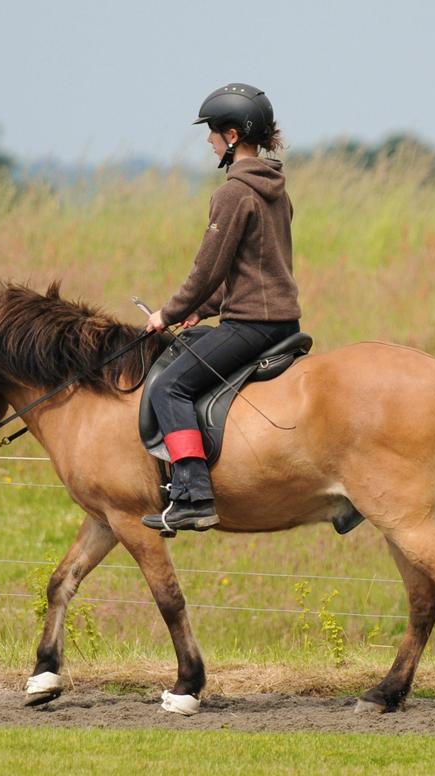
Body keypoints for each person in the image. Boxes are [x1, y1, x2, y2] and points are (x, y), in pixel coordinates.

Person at [141, 83, 301, 534]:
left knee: (169, 387)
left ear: (232, 136)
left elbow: (207, 269)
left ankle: (194, 495)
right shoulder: (276, 190)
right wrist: (204, 309)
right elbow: (255, 266)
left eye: (212, 132)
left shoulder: (232, 193)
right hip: (283, 323)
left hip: (251, 326)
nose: (209, 141)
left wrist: (167, 314)